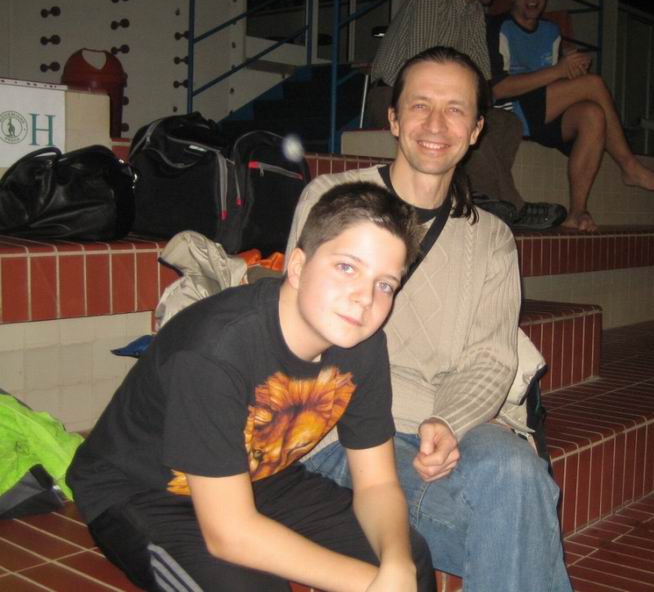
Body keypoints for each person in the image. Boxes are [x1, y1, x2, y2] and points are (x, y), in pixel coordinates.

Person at [287, 46, 572, 592]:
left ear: (476, 130)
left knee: (517, 471)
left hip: (451, 421)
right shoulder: (333, 200)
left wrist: (447, 422)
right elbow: (309, 331)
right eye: (420, 106)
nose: (436, 125)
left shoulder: (491, 237)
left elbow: (491, 357)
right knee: (517, 524)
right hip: (347, 432)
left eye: (455, 109)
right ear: (394, 119)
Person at [67, 183, 437, 592]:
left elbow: (377, 484)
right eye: (347, 267)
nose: (364, 298)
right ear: (298, 267)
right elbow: (229, 533)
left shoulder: (362, 345)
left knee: (412, 558)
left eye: (385, 284)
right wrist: (374, 584)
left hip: (257, 477)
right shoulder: (215, 349)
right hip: (145, 491)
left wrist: (397, 566)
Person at [365, 0, 566, 230]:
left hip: (445, 96)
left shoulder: (475, 12)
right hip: (395, 95)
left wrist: (475, 104)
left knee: (505, 122)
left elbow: (481, 75)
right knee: (463, 119)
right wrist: (464, 107)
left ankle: (480, 197)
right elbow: (424, 69)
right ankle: (514, 206)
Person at [487, 0, 654, 232]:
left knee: (592, 114)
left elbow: (554, 83)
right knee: (593, 84)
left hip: (543, 112)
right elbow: (498, 88)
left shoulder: (551, 31)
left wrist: (571, 72)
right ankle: (629, 166)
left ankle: (577, 212)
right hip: (511, 111)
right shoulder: (498, 26)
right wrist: (560, 71)